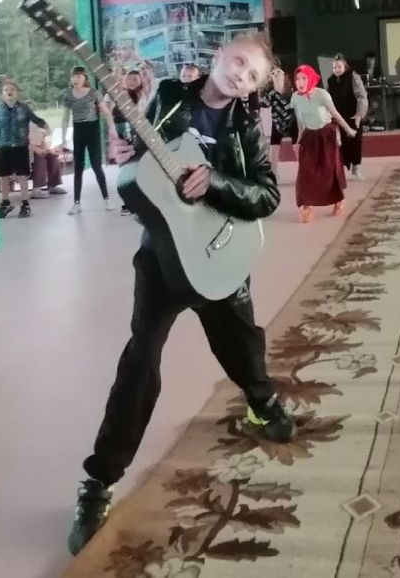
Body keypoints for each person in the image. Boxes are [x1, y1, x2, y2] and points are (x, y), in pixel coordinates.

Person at [68, 34, 294, 555]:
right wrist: (130, 149)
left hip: (219, 248)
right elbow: (144, 155)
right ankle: (100, 479)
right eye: (238, 61)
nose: (240, 75)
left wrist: (214, 182)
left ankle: (260, 399)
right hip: (163, 255)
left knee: (241, 343)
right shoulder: (170, 96)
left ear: (254, 89)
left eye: (252, 76)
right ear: (218, 56)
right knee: (140, 360)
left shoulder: (246, 129)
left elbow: (266, 195)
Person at [291, 64, 356, 223]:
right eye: (297, 79)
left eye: (304, 78)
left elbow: (335, 114)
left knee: (329, 171)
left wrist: (348, 129)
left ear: (311, 78)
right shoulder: (295, 98)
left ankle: (338, 200)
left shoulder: (322, 94)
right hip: (309, 137)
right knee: (305, 172)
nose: (300, 82)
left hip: (327, 136)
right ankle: (306, 206)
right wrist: (298, 139)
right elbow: (300, 121)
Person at [0, 79, 49, 218]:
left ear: (18, 93)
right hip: (5, 147)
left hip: (21, 146)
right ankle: (5, 203)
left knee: (22, 177)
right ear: (2, 95)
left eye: (12, 89)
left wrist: (46, 127)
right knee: (3, 177)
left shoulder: (24, 109)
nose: (9, 92)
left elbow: (37, 120)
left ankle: (25, 204)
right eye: (6, 90)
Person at [60, 67, 112, 215]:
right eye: (73, 77)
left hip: (92, 130)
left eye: (79, 76)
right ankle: (76, 203)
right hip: (78, 130)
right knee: (78, 167)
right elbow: (65, 117)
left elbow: (105, 111)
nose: (75, 79)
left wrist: (111, 128)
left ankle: (107, 199)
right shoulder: (68, 94)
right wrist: (63, 137)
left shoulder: (93, 92)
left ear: (85, 78)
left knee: (96, 165)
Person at [326, 53, 369, 180]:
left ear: (345, 66)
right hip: (338, 116)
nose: (336, 69)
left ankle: (356, 169)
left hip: (353, 115)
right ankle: (340, 172)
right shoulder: (330, 81)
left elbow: (362, 97)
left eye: (339, 66)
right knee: (340, 145)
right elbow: (327, 99)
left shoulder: (353, 77)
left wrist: (359, 115)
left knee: (355, 142)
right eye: (334, 67)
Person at [29, 117, 67, 199]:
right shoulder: (26, 128)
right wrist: (40, 151)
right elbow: (30, 146)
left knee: (52, 156)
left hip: (36, 152)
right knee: (40, 158)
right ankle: (36, 190)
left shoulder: (40, 132)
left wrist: (50, 151)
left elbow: (44, 146)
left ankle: (53, 186)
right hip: (25, 154)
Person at [266, 65, 298, 158]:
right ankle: (273, 166)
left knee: (297, 143)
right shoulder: (271, 94)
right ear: (271, 78)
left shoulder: (292, 91)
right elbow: (263, 103)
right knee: (274, 147)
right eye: (273, 73)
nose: (276, 74)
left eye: (278, 72)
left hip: (293, 121)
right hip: (277, 122)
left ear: (284, 74)